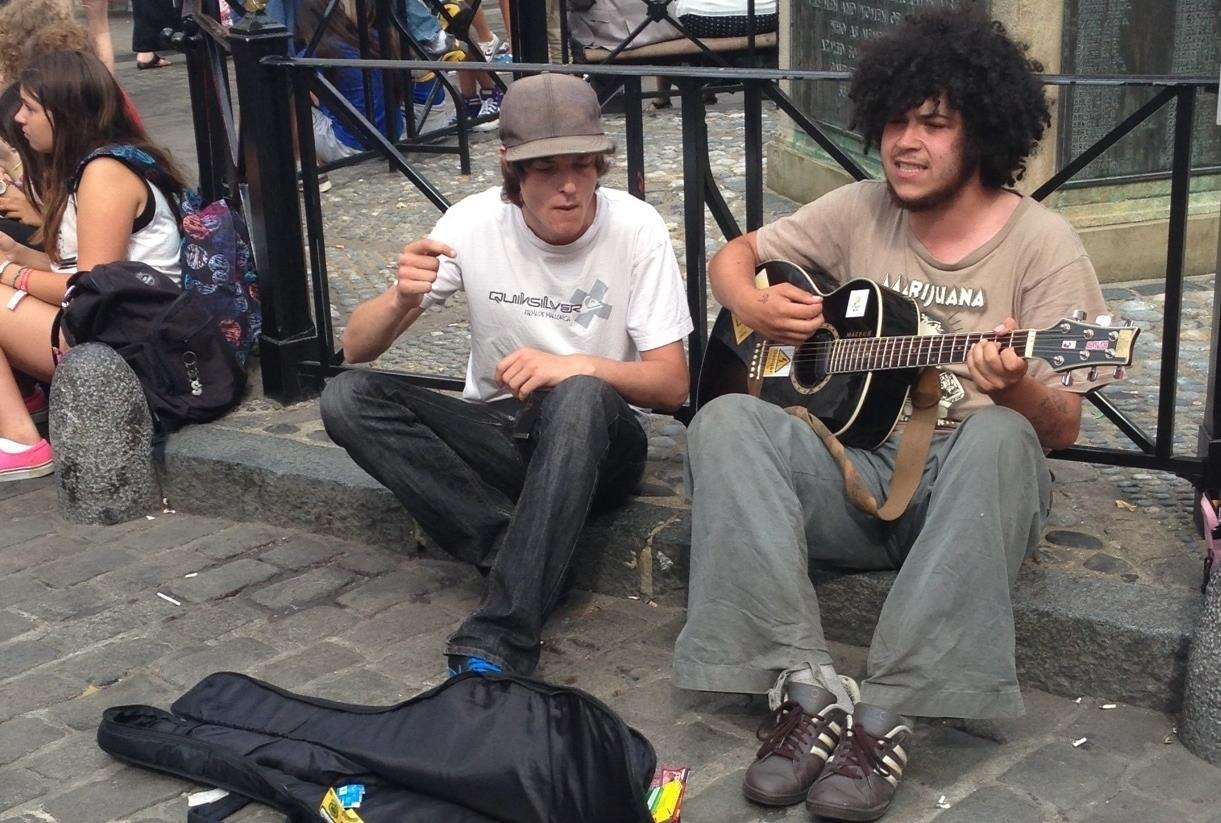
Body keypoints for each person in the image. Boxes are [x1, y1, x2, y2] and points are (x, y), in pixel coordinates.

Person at [672, 10, 1113, 820]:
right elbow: (732, 256)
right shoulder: (856, 211)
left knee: (1002, 434)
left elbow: (1062, 430)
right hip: (853, 473)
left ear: (980, 131)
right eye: (894, 122)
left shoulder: (1043, 245)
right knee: (724, 423)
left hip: (965, 503)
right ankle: (804, 692)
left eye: (933, 125)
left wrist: (1014, 386)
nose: (905, 143)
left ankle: (883, 716)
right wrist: (755, 306)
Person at [321, 73, 693, 678]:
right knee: (345, 399)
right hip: (502, 434)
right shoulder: (473, 223)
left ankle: (506, 626)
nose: (570, 187)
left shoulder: (634, 227)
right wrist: (399, 300)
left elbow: (672, 384)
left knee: (578, 394)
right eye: (547, 169)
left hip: (601, 443)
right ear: (511, 169)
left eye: (584, 165)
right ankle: (519, 550)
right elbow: (355, 350)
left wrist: (573, 366)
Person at [0, 51, 187, 481]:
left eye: (30, 109)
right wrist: (15, 253)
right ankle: (25, 399)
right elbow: (74, 267)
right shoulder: (96, 164)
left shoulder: (105, 172)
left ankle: (21, 440)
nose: (21, 120)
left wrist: (10, 274)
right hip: (117, 329)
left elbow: (89, 288)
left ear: (63, 113)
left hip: (127, 347)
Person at [295, 0, 407, 165]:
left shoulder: (318, 51)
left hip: (351, 146)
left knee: (291, 103)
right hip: (393, 135)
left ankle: (304, 167)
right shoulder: (373, 38)